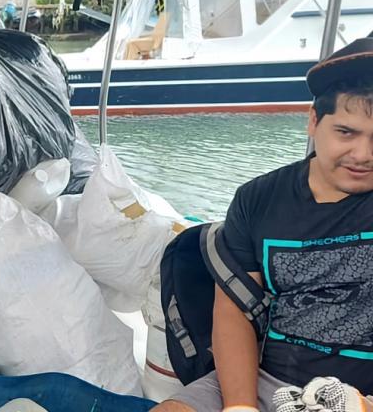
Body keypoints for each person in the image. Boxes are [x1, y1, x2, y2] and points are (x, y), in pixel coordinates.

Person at [154, 35, 373, 412]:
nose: (364, 154)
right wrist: (240, 406)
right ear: (313, 121)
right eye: (346, 132)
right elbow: (234, 311)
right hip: (265, 377)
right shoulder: (257, 199)